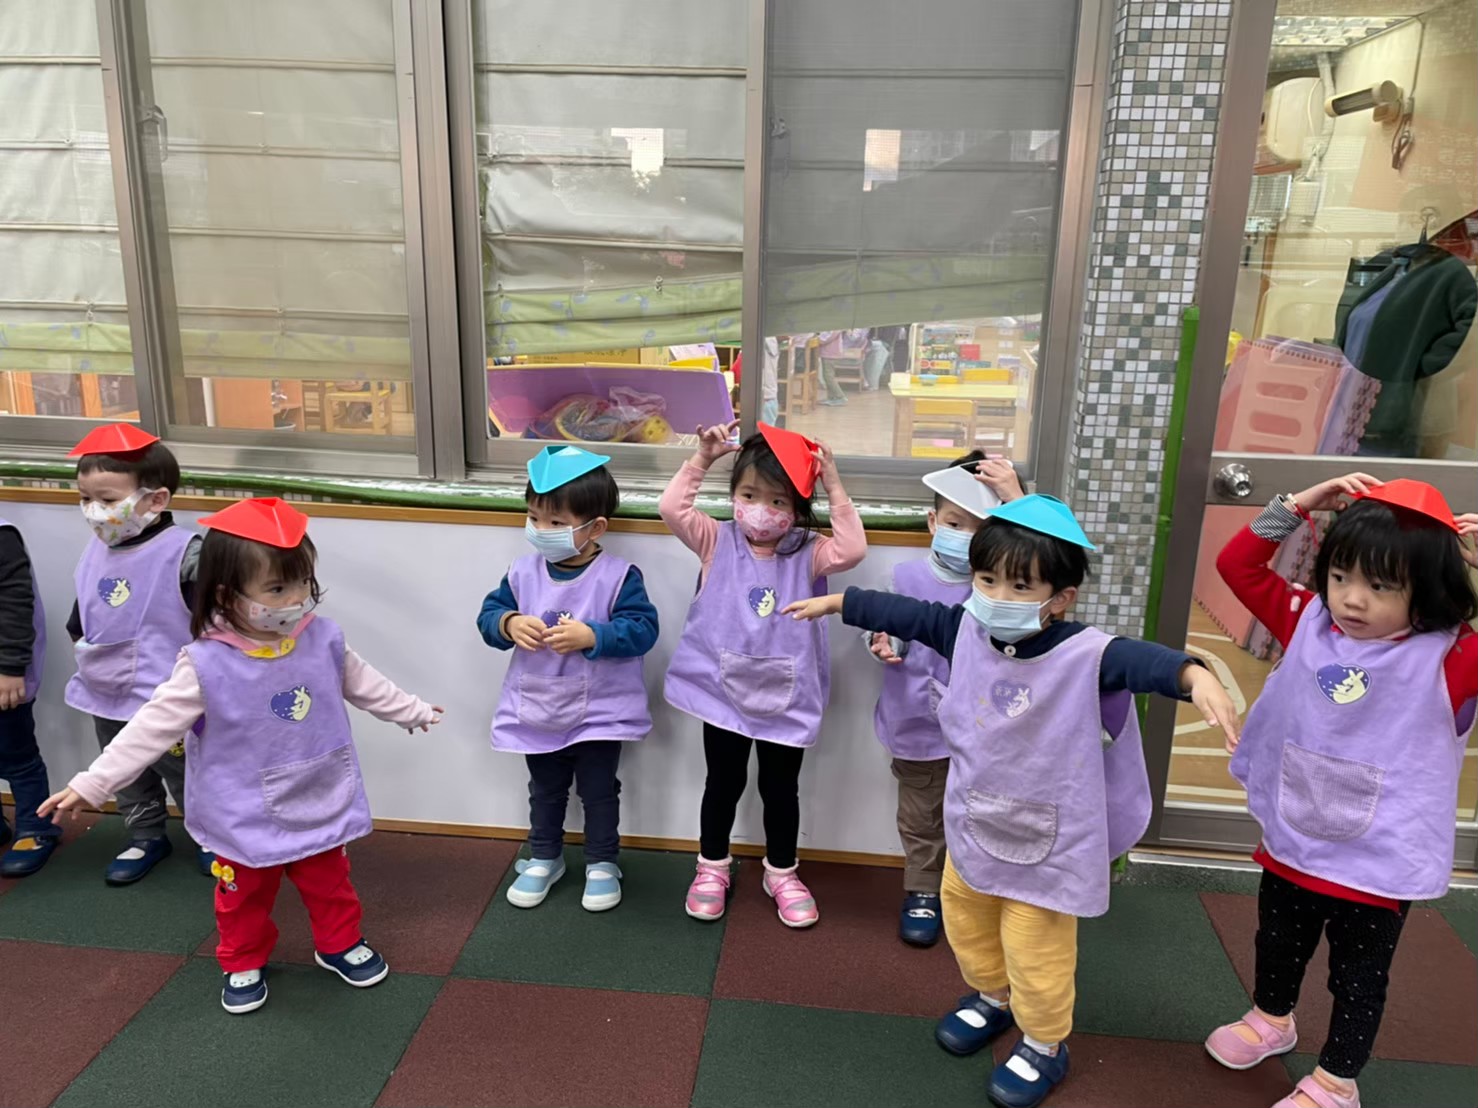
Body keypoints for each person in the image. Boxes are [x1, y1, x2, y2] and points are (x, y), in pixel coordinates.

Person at [785, 495, 1239, 1108]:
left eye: (1020, 585)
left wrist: (1196, 674)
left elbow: (1144, 662)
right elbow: (908, 614)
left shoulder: (1087, 654)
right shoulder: (964, 629)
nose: (997, 595)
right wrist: (840, 602)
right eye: (987, 579)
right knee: (966, 923)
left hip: (1047, 847)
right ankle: (991, 998)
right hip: (974, 829)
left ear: (1061, 598)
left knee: (1036, 952)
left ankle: (1045, 1045)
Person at [40, 497, 442, 1015]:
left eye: (303, 583)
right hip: (241, 808)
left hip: (318, 789)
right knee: (243, 895)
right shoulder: (204, 664)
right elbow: (148, 729)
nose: (296, 599)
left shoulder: (322, 637)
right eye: (277, 589)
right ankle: (242, 959)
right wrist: (93, 782)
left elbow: (366, 684)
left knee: (331, 884)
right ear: (227, 595)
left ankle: (338, 943)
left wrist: (410, 710)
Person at [1204, 476, 1478, 1108]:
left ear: (1427, 588)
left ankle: (1335, 1080)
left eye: (1381, 586)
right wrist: (1297, 505)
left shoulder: (1451, 658)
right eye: (1340, 576)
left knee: (1358, 979)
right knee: (1277, 944)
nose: (1352, 599)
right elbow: (1236, 565)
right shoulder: (1309, 621)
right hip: (1296, 836)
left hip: (1377, 862)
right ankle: (1271, 1019)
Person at [662, 419, 865, 928]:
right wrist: (702, 458)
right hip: (723, 694)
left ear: (796, 507)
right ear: (733, 494)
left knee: (780, 789)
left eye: (777, 501)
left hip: (786, 696)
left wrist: (833, 483)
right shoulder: (716, 539)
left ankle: (782, 872)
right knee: (722, 783)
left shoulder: (809, 550)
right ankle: (712, 866)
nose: (761, 509)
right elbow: (672, 509)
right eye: (749, 495)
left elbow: (853, 550)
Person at [477, 445, 659, 912]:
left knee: (599, 792)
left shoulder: (619, 576)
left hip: (601, 712)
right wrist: (508, 623)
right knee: (545, 790)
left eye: (556, 522)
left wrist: (594, 634)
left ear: (595, 527)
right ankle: (544, 856)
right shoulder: (521, 572)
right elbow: (488, 617)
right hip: (538, 708)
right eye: (534, 517)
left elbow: (644, 630)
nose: (540, 530)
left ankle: (602, 862)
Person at [865, 452, 1023, 947]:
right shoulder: (903, 578)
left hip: (986, 733)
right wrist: (882, 641)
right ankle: (923, 889)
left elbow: (1049, 559)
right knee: (921, 818)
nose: (966, 537)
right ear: (933, 522)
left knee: (983, 814)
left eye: (982, 528)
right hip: (917, 725)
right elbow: (882, 628)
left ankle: (977, 892)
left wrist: (1017, 500)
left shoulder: (1006, 591)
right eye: (955, 523)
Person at [65, 423, 209, 884]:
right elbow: (84, 606)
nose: (94, 510)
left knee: (187, 773)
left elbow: (212, 623)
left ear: (156, 499)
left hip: (166, 694)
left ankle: (211, 838)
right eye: (85, 498)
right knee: (126, 771)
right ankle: (145, 836)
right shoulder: (95, 548)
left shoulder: (186, 553)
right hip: (105, 686)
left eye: (107, 500)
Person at [0, 517, 58, 877]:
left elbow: (16, 602)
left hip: (3, 677)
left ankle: (36, 827)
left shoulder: (2, 536)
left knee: (16, 755)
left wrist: (10, 667)